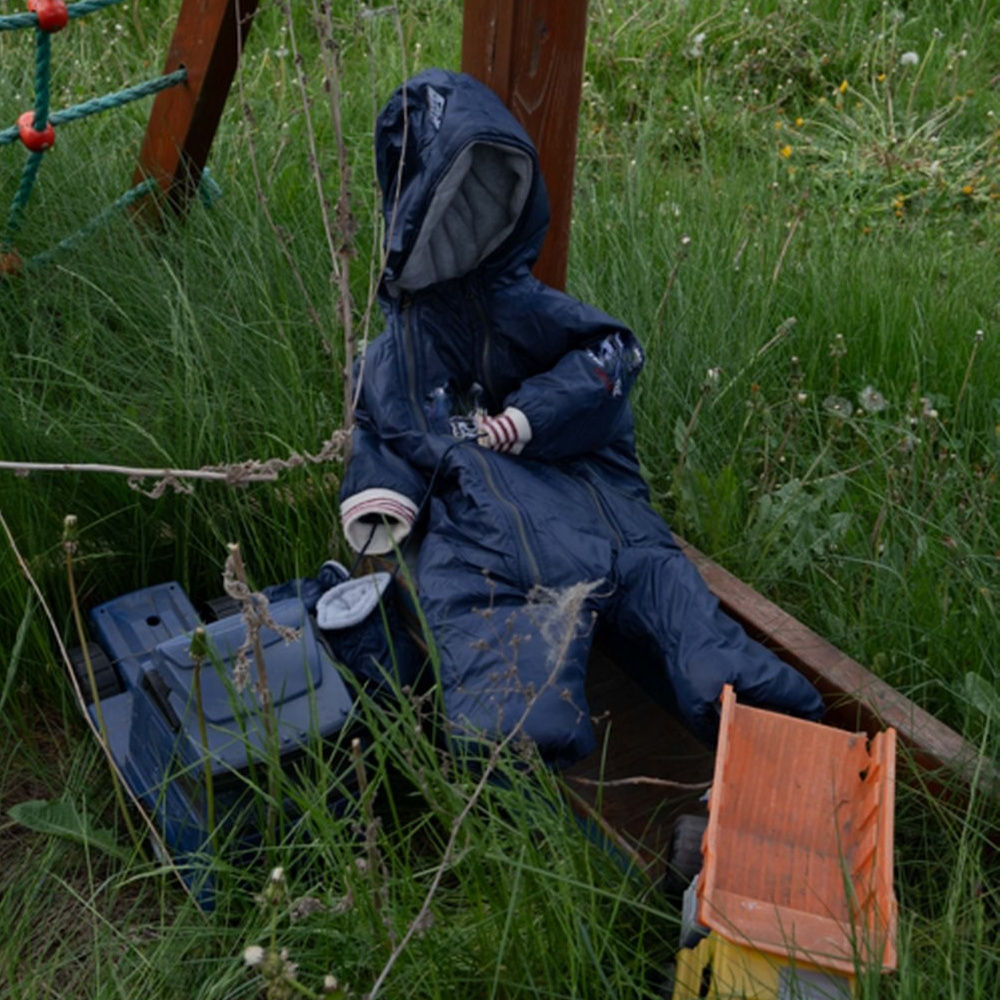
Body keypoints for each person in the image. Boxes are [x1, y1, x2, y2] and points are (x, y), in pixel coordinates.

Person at [339, 68, 823, 766]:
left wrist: (530, 416)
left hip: (596, 506)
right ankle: (524, 750)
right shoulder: (402, 353)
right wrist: (380, 501)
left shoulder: (525, 307)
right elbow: (380, 428)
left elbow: (612, 354)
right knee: (503, 664)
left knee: (676, 605)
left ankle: (748, 710)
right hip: (492, 534)